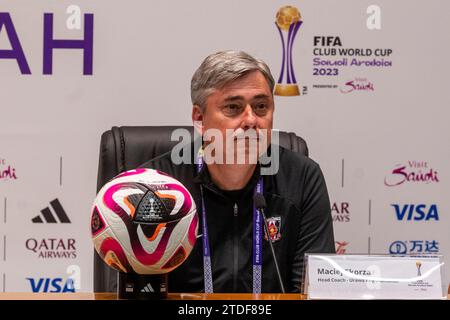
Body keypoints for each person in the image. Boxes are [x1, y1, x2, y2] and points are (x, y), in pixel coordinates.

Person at [140, 50, 335, 293]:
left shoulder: (302, 177)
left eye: (261, 106)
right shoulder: (154, 187)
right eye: (233, 107)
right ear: (200, 118)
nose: (251, 120)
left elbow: (309, 291)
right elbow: (138, 291)